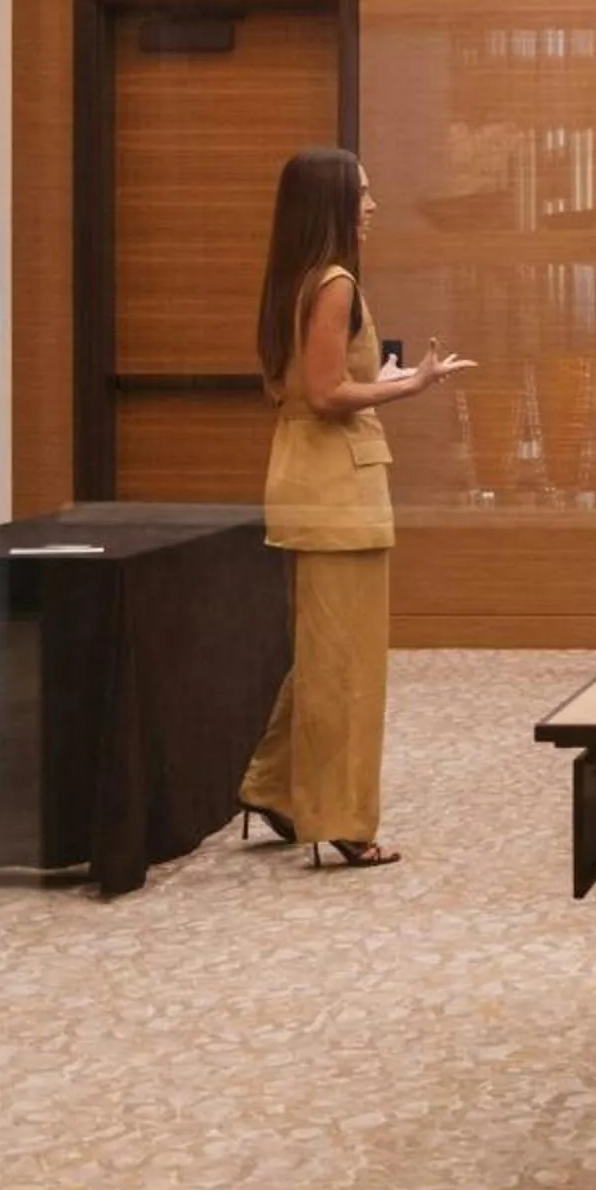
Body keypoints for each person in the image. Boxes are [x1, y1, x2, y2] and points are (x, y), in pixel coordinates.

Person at [236, 147, 472, 868]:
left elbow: (315, 382)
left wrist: (384, 376)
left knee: (322, 654)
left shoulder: (297, 279)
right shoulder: (334, 283)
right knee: (347, 665)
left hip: (312, 482)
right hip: (336, 489)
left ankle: (274, 787)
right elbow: (327, 394)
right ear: (332, 203)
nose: (372, 206)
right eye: (362, 194)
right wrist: (413, 384)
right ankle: (340, 819)